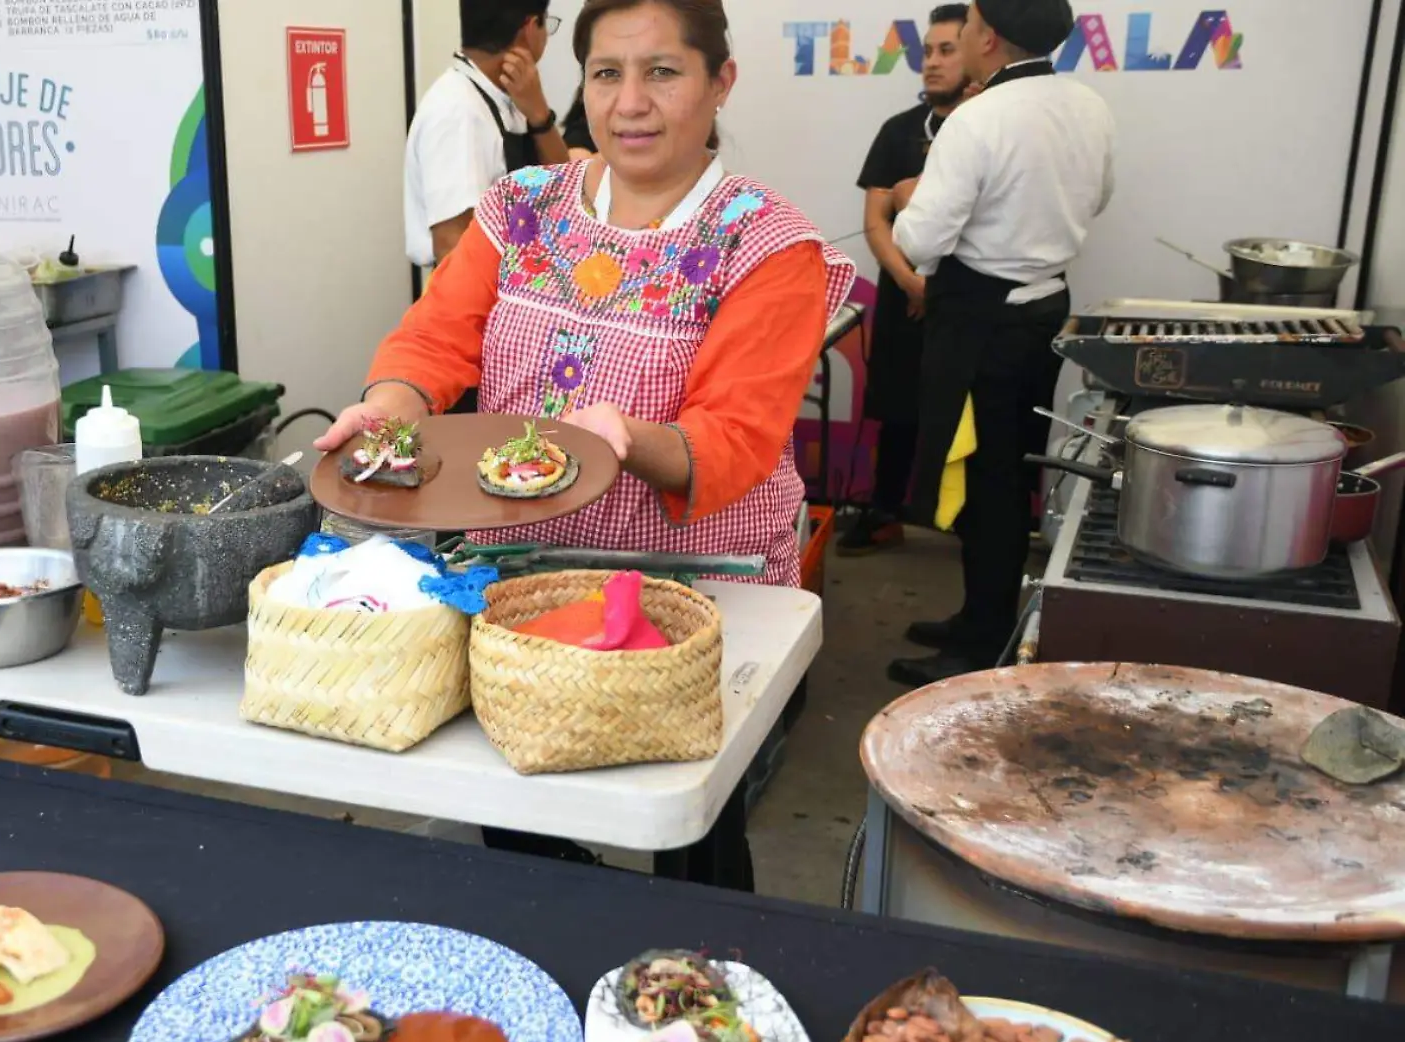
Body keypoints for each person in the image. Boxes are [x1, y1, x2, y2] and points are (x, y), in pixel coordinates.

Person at [323, 0, 855, 877]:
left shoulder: (765, 243)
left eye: (663, 72)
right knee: (514, 792)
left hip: (692, 591)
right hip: (525, 577)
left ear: (721, 82)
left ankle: (694, 964)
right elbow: (434, 339)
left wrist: (623, 438)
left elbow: (734, 438)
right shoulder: (522, 208)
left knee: (687, 818)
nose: (630, 103)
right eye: (607, 74)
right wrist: (386, 409)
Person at [886, 0, 1116, 686]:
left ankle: (980, 645)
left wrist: (907, 199)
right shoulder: (1089, 106)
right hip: (1045, 306)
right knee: (1006, 474)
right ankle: (978, 614)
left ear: (986, 36)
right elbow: (1099, 197)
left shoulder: (976, 118)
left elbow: (920, 240)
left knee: (984, 481)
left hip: (982, 321)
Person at [837, 4, 972, 556]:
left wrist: (937, 285)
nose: (933, 64)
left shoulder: (992, 128)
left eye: (947, 51)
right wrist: (911, 282)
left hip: (968, 299)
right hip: (905, 295)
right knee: (897, 410)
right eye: (929, 52)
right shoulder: (898, 132)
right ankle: (887, 510)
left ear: (980, 50)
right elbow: (876, 221)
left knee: (973, 414)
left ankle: (971, 521)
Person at [405, 1, 573, 268]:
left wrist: (540, 115)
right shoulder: (457, 110)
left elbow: (566, 189)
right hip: (482, 296)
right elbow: (452, 247)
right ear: (530, 28)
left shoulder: (513, 95)